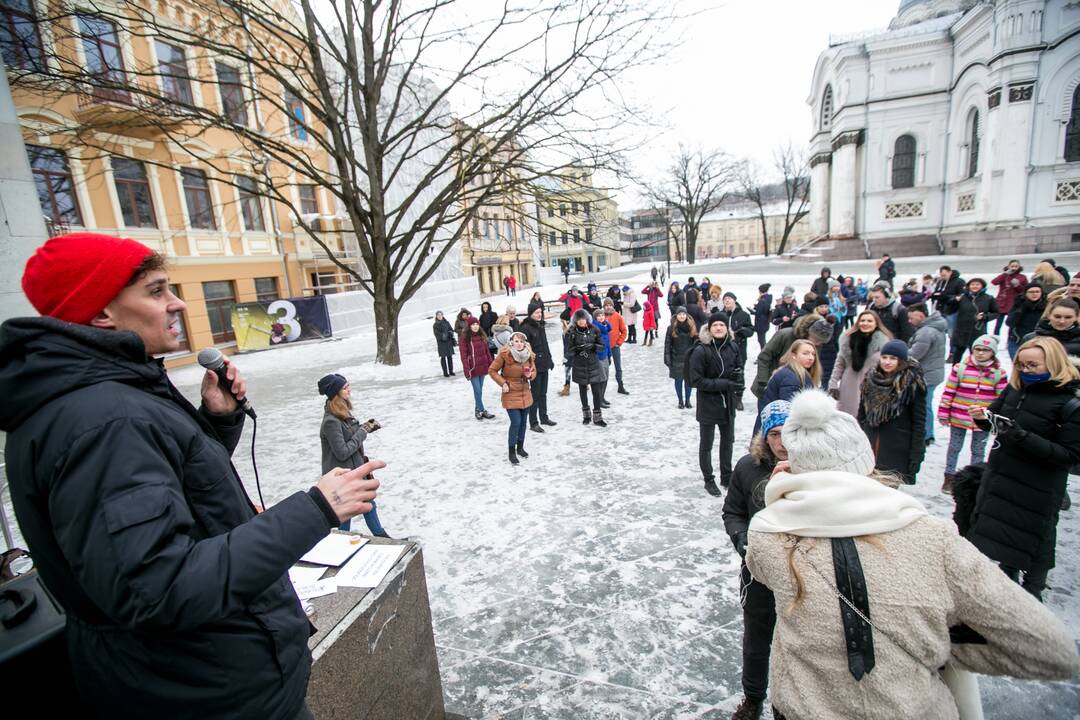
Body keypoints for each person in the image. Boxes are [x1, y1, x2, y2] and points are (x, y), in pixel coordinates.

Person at [1, 233, 381, 718]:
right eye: (157, 291)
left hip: (195, 678)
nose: (178, 303)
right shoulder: (106, 419)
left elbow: (159, 487)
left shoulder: (105, 394)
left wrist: (215, 422)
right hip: (205, 689)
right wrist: (315, 508)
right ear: (101, 314)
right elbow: (159, 588)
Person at [746, 389, 1080, 720]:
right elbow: (1050, 648)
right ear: (865, 462)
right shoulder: (934, 538)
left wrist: (781, 498)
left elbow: (764, 557)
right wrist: (930, 637)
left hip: (804, 709)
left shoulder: (769, 536)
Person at [969, 337, 1080, 600]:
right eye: (1021, 365)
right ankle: (1004, 591)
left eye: (1033, 365)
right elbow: (997, 420)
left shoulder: (1069, 403)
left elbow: (1071, 456)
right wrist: (983, 419)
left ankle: (1031, 594)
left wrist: (1021, 436)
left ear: (1053, 363)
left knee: (1033, 540)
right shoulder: (1015, 389)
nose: (1026, 370)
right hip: (1003, 475)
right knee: (1001, 537)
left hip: (1038, 484)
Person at [722, 400, 790, 720]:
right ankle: (753, 698)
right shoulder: (748, 467)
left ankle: (788, 702)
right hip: (758, 571)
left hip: (800, 575)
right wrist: (742, 540)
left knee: (796, 643)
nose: (782, 442)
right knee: (757, 638)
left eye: (789, 433)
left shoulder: (811, 468)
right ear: (764, 436)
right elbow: (733, 511)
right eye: (774, 434)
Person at [319, 374, 389, 537]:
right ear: (335, 393)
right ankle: (341, 543)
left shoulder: (342, 413)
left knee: (369, 504)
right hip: (342, 477)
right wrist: (363, 431)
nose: (349, 389)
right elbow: (342, 452)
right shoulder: (331, 421)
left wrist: (365, 427)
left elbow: (350, 438)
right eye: (345, 387)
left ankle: (381, 536)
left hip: (355, 471)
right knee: (346, 515)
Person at [937, 334, 1007, 494]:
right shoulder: (960, 369)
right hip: (958, 415)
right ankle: (949, 476)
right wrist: (944, 411)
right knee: (954, 446)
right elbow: (949, 391)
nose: (981, 353)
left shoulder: (998, 373)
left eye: (985, 350)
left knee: (978, 449)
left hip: (982, 419)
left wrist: (995, 418)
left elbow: (1001, 397)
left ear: (992, 353)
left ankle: (974, 478)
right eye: (978, 349)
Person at [687, 314, 743, 495]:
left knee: (728, 441)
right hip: (708, 403)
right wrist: (725, 383)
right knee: (707, 444)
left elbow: (738, 368)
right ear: (709, 329)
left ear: (727, 328)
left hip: (727, 402)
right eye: (715, 325)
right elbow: (696, 381)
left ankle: (726, 476)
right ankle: (708, 479)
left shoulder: (733, 347)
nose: (719, 328)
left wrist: (738, 382)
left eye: (722, 325)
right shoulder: (701, 350)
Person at [857, 340, 926, 485]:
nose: (887, 362)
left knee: (887, 496)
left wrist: (916, 455)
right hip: (869, 445)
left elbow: (919, 422)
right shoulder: (870, 379)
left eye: (893, 358)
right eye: (884, 357)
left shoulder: (912, 383)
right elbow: (861, 414)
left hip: (896, 449)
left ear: (901, 360)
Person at [752, 314, 833, 400]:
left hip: (795, 387)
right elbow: (764, 357)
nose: (818, 343)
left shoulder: (815, 345)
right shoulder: (785, 335)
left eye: (821, 342)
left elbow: (811, 366)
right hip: (770, 384)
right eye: (816, 340)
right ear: (809, 332)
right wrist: (763, 382)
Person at [828, 310, 892, 416]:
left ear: (876, 323)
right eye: (862, 320)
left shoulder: (884, 343)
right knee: (848, 418)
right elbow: (839, 365)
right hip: (849, 385)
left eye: (869, 321)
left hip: (873, 385)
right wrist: (833, 384)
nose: (865, 323)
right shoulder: (847, 340)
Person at [488, 330, 535, 464]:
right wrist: (503, 383)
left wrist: (530, 375)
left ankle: (520, 448)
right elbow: (491, 370)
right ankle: (511, 451)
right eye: (516, 341)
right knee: (516, 422)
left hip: (525, 392)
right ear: (511, 342)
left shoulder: (528, 355)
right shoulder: (505, 355)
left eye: (521, 341)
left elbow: (534, 371)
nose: (519, 344)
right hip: (510, 392)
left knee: (523, 423)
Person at [757, 338, 820, 436]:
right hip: (776, 433)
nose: (811, 357)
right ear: (793, 356)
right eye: (805, 353)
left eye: (813, 354)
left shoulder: (796, 373)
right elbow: (790, 411)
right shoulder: (791, 377)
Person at [906, 303, 947, 446]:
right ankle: (927, 433)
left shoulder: (926, 332)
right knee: (926, 403)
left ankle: (926, 434)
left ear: (920, 315)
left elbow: (914, 354)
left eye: (911, 318)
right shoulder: (935, 328)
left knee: (923, 405)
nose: (909, 321)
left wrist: (900, 352)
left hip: (927, 374)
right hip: (933, 372)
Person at [567, 308, 607, 426]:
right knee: (583, 391)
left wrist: (593, 346)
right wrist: (577, 350)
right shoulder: (572, 332)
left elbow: (602, 346)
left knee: (596, 391)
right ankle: (586, 415)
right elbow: (569, 350)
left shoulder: (594, 329)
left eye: (583, 319)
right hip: (579, 365)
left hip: (593, 364)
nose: (581, 321)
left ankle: (598, 417)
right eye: (579, 319)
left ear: (587, 319)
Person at [521, 303, 557, 432]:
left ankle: (544, 417)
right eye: (536, 312)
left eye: (540, 312)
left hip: (544, 364)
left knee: (543, 393)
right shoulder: (525, 328)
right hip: (534, 366)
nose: (539, 314)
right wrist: (529, 366)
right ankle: (533, 422)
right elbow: (524, 350)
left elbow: (545, 345)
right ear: (530, 314)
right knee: (535, 395)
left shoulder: (541, 326)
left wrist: (550, 359)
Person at [950, 277, 998, 364]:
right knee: (958, 354)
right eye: (972, 284)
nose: (974, 286)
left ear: (982, 286)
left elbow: (996, 313)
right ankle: (955, 373)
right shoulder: (962, 297)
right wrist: (954, 301)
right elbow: (949, 310)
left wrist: (985, 316)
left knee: (977, 354)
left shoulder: (988, 298)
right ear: (968, 286)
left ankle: (976, 373)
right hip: (962, 330)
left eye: (977, 284)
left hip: (978, 330)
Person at [460, 317, 496, 420]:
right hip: (473, 369)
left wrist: (492, 365)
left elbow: (487, 352)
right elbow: (463, 356)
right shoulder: (464, 338)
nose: (475, 326)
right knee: (477, 390)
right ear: (469, 326)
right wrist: (467, 370)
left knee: (479, 391)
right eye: (473, 325)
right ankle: (482, 410)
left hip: (483, 367)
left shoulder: (482, 335)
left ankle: (478, 410)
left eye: (477, 324)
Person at [664, 307, 697, 409]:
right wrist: (667, 359)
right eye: (680, 314)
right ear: (676, 316)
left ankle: (687, 400)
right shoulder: (671, 328)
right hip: (676, 358)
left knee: (688, 382)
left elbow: (697, 343)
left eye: (683, 314)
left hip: (689, 359)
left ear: (686, 315)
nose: (682, 316)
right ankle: (680, 400)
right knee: (678, 381)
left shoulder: (692, 327)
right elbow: (667, 344)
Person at [1007, 284, 1046, 358]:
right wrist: (1022, 309)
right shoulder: (1019, 304)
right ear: (1025, 293)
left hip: (1039, 341)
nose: (1034, 294)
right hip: (1018, 340)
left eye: (1037, 292)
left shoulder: (1046, 306)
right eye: (1031, 292)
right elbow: (1009, 322)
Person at [991, 260, 1028, 336]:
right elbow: (994, 282)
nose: (1014, 268)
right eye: (1012, 266)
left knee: (1012, 323)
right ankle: (995, 338)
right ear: (1008, 267)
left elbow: (1025, 290)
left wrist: (1017, 285)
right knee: (998, 324)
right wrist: (1004, 275)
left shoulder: (1022, 277)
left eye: (1016, 266)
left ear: (1019, 267)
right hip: (1002, 302)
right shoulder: (1004, 275)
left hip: (1014, 303)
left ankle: (1010, 338)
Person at [603, 298, 629, 395]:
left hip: (615, 347)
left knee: (618, 367)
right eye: (606, 305)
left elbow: (624, 331)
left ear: (612, 306)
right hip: (604, 348)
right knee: (604, 369)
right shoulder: (601, 317)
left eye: (610, 305)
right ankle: (602, 389)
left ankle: (620, 386)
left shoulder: (617, 316)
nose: (608, 307)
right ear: (604, 307)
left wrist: (619, 342)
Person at [929, 265, 965, 335]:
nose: (943, 277)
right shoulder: (940, 282)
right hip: (940, 309)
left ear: (950, 272)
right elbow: (938, 292)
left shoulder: (959, 281)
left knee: (952, 332)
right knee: (940, 332)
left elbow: (962, 295)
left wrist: (948, 297)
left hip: (952, 310)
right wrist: (934, 295)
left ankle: (953, 344)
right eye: (941, 275)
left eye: (944, 275)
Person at [591, 307, 613, 408]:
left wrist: (609, 356)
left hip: (605, 355)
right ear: (595, 317)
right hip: (599, 357)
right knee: (602, 378)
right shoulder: (595, 328)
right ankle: (598, 400)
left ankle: (602, 397)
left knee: (606, 378)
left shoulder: (605, 326)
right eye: (599, 316)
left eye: (602, 315)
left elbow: (607, 344)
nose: (601, 317)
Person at [433, 310, 456, 376]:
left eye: (441, 315)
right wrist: (444, 335)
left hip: (448, 342)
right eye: (438, 315)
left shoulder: (447, 322)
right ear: (436, 316)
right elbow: (437, 334)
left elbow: (451, 330)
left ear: (443, 315)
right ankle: (445, 373)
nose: (440, 316)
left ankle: (451, 371)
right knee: (443, 357)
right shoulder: (435, 325)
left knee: (450, 357)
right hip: (441, 343)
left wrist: (450, 333)